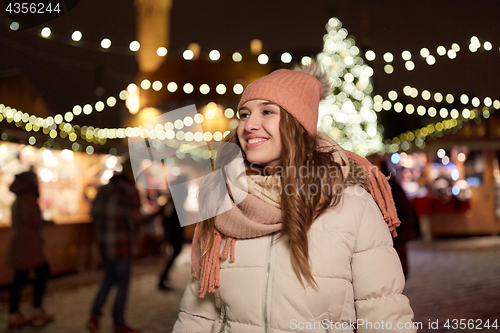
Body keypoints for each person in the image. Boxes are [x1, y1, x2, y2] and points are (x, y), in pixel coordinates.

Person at [172, 61, 416, 333]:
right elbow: (198, 316)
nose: (249, 124)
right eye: (244, 114)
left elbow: (383, 312)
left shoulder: (351, 203)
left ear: (296, 123)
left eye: (267, 111)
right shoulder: (223, 201)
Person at [87, 160, 143, 333]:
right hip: (122, 244)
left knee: (109, 279)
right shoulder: (130, 192)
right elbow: (134, 221)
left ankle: (94, 316)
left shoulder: (103, 189)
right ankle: (118, 323)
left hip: (104, 244)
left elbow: (94, 213)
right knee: (122, 285)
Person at [6, 170, 54, 330]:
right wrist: (46, 222)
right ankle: (33, 310)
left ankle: (17, 313)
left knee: (20, 278)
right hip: (27, 245)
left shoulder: (20, 198)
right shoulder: (27, 198)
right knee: (39, 273)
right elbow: (32, 219)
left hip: (24, 245)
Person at [157, 183, 187, 290]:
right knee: (172, 253)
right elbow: (167, 218)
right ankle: (163, 277)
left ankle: (164, 276)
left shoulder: (172, 201)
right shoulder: (174, 201)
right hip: (173, 232)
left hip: (172, 232)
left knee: (172, 254)